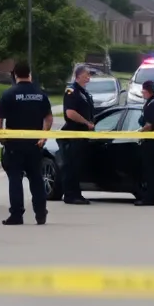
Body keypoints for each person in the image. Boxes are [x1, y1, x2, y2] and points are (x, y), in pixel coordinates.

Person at [0, 61, 53, 226]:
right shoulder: (40, 94)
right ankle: (40, 213)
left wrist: (1, 137)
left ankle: (16, 215)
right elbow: (48, 118)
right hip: (34, 145)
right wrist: (43, 136)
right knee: (36, 179)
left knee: (15, 179)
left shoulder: (9, 94)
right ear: (30, 74)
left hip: (14, 145)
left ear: (15, 75)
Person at [60, 65, 96, 205]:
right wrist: (86, 122)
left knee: (78, 165)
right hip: (73, 133)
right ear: (78, 75)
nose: (88, 78)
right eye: (86, 75)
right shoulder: (71, 91)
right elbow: (70, 113)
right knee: (71, 165)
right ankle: (70, 195)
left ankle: (77, 194)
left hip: (82, 135)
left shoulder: (83, 92)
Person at [134, 80, 154, 206]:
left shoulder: (153, 104)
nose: (142, 93)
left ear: (147, 91)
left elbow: (149, 124)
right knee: (150, 170)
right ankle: (151, 196)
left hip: (151, 142)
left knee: (150, 171)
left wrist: (139, 132)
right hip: (151, 140)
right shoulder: (152, 102)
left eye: (143, 91)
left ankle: (149, 198)